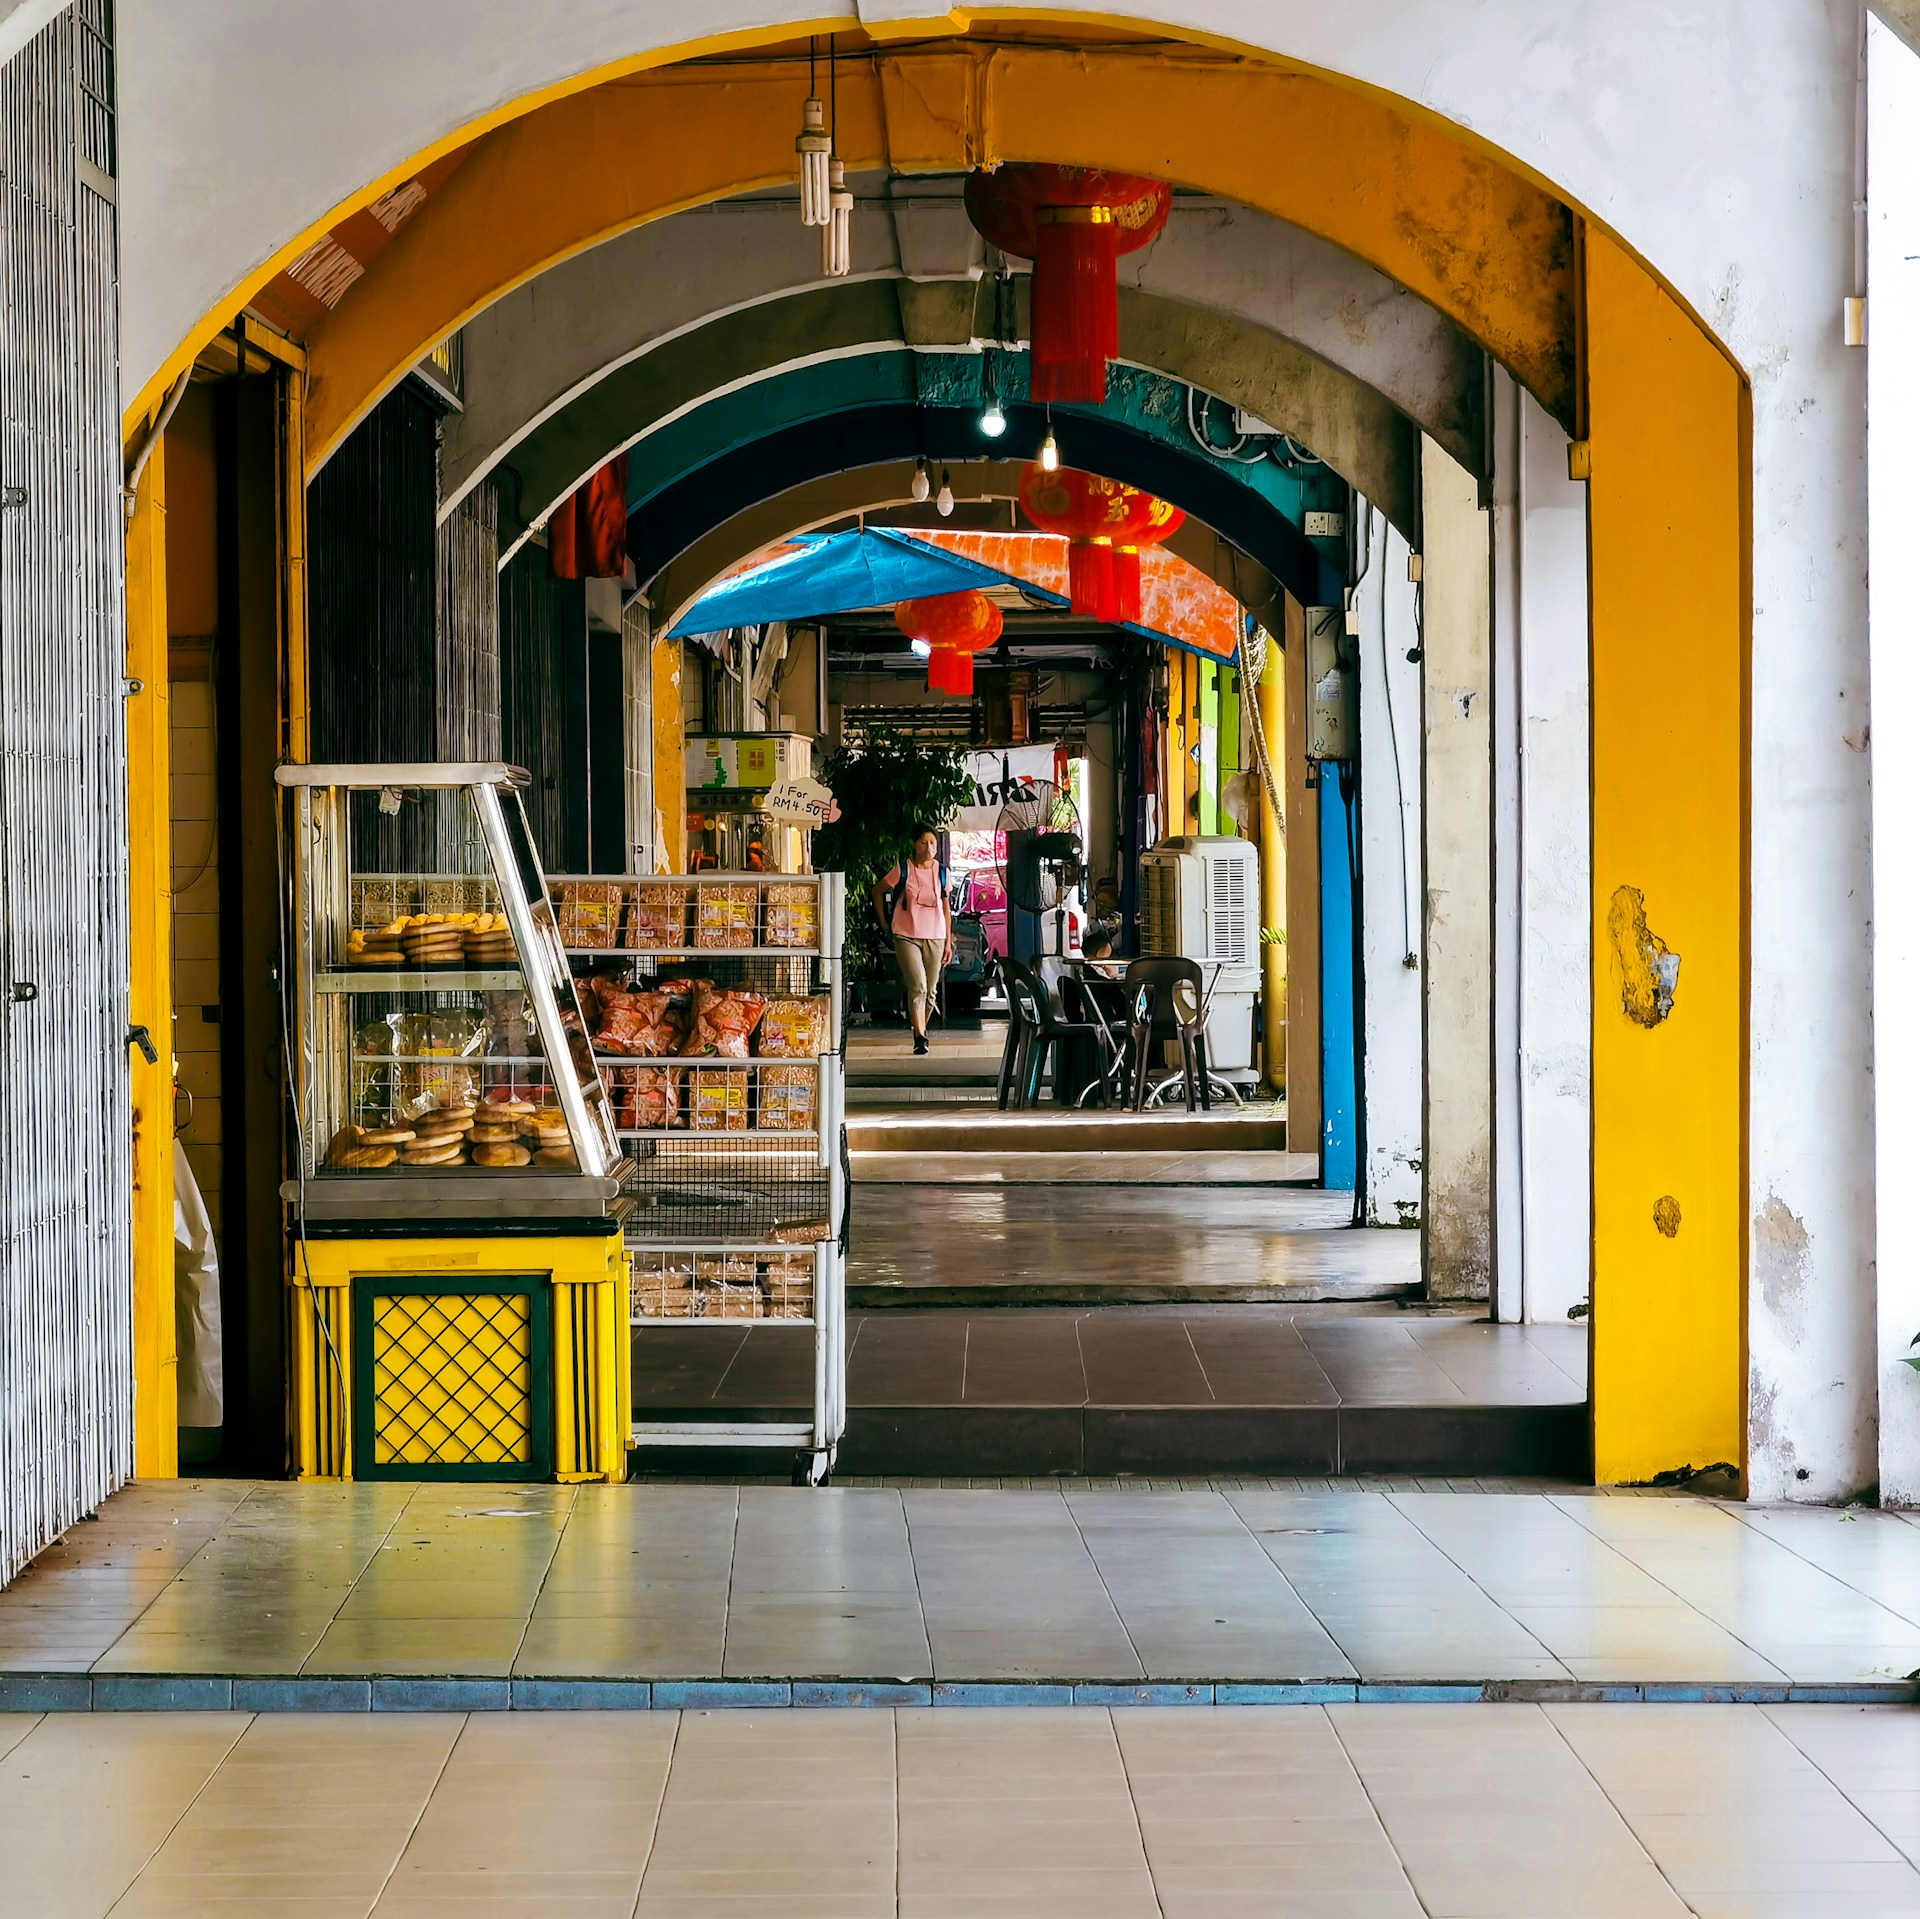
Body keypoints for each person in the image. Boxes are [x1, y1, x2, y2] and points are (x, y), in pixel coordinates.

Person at [874, 829, 953, 1056]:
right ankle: (919, 1037)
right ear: (915, 844)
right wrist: (884, 922)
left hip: (936, 936)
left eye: (932, 843)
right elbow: (878, 890)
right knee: (917, 986)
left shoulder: (943, 873)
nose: (929, 847)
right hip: (906, 935)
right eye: (924, 842)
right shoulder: (904, 869)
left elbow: (946, 909)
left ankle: (921, 1029)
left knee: (930, 993)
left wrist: (948, 941)